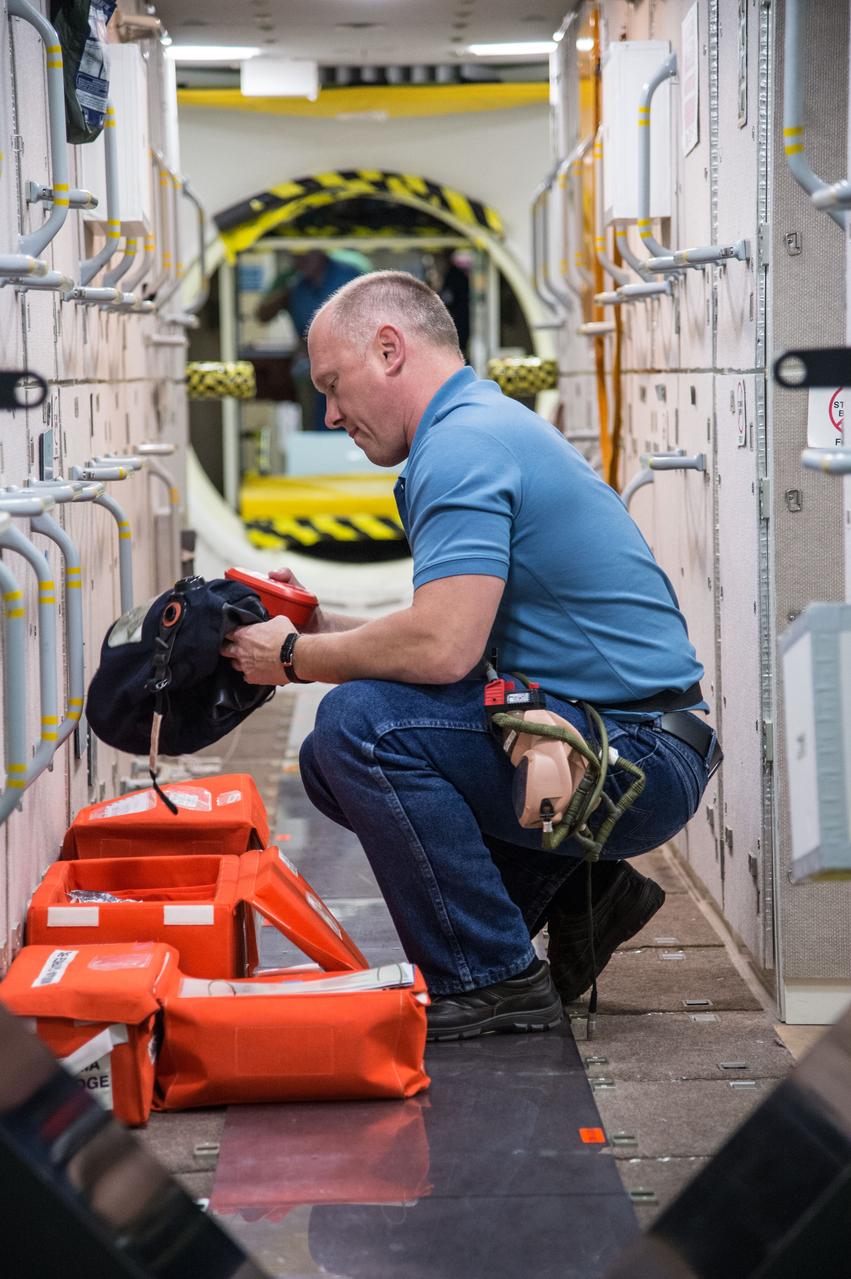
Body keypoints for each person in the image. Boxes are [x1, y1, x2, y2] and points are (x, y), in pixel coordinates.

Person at [223, 271, 720, 1041]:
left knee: (360, 725)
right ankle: (582, 893)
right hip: (617, 736)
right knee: (332, 756)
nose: (329, 412)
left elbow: (443, 648)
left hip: (632, 758)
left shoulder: (458, 446)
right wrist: (323, 622)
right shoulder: (476, 425)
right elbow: (460, 627)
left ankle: (491, 978)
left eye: (332, 384)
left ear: (389, 349)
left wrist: (294, 655)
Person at [255, 249, 364, 428]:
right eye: (295, 256)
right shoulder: (293, 281)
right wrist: (285, 288)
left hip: (349, 360)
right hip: (309, 365)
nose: (299, 260)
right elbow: (262, 315)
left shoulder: (349, 274)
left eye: (304, 254)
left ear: (321, 252)